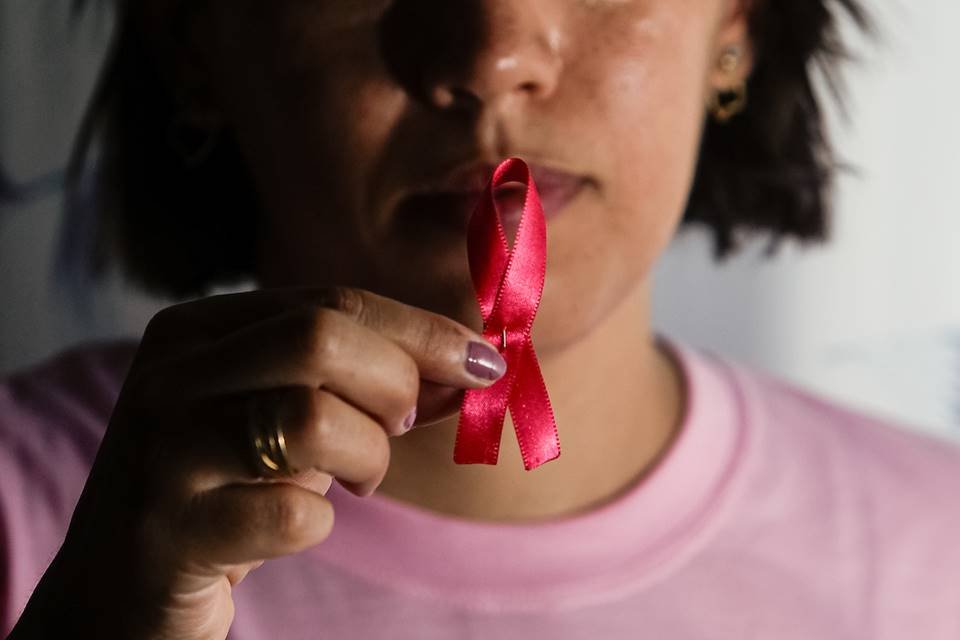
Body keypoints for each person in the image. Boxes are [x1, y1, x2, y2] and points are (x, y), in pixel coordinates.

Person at [4, 0, 959, 638]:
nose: (494, 58)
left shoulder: (938, 554)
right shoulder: (28, 519)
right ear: (193, 42)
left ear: (736, 28)